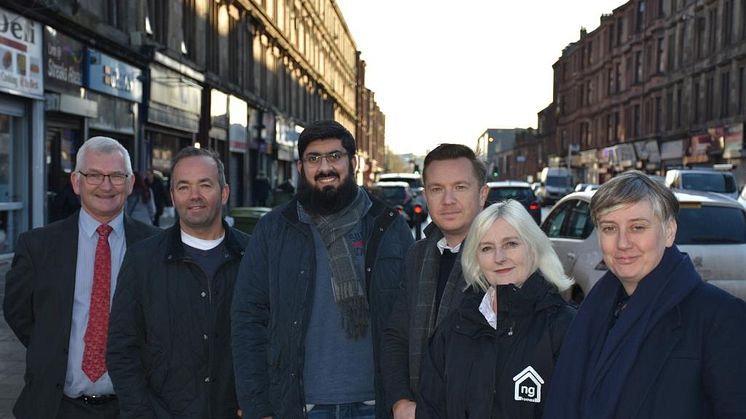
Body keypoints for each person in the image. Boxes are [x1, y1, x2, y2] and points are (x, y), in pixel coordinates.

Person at [231, 120, 414, 419]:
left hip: (376, 402)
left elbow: (412, 319)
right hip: (301, 404)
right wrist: (257, 405)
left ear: (352, 162)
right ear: (301, 167)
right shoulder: (274, 229)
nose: (325, 167)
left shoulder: (388, 225)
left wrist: (406, 396)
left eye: (335, 156)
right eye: (314, 158)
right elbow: (248, 319)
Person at [544, 171, 746, 419]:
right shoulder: (592, 312)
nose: (623, 243)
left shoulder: (720, 318)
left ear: (669, 231)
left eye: (637, 227)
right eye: (609, 228)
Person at [3, 136, 160, 419]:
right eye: (94, 175)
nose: (106, 185)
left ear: (130, 182)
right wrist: (51, 345)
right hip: (56, 407)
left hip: (134, 407)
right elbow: (18, 313)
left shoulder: (156, 246)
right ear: (76, 182)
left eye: (116, 175)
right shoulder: (37, 246)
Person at [107, 147, 249, 418]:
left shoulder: (254, 256)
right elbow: (122, 349)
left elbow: (272, 340)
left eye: (205, 185)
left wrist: (258, 401)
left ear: (225, 192)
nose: (194, 196)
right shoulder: (142, 259)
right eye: (183, 187)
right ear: (172, 196)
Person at [417, 200, 576, 418]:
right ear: (476, 258)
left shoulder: (566, 328)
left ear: (533, 247)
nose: (499, 258)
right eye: (487, 248)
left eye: (511, 244)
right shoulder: (453, 329)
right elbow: (430, 409)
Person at [380, 143, 488, 419]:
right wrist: (400, 400)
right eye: (437, 189)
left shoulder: (502, 258)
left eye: (460, 187)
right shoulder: (418, 256)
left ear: (482, 194)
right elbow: (396, 336)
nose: (448, 200)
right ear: (425, 195)